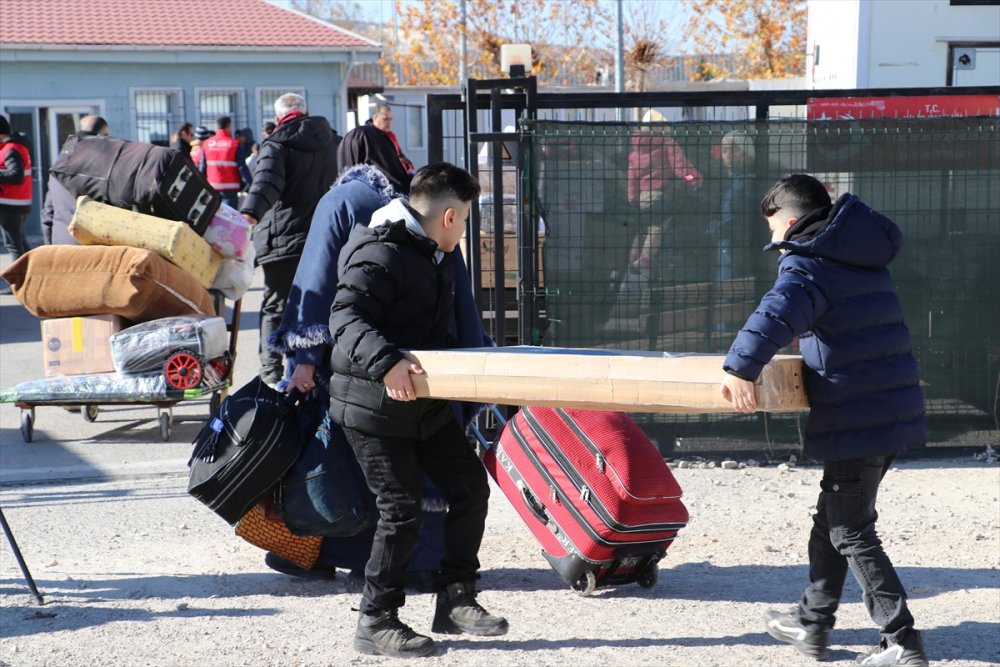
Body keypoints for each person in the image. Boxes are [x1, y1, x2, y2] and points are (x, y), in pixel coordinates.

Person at [720, 174, 928, 667]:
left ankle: (901, 640)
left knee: (851, 530)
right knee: (833, 522)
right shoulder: (856, 255)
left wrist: (739, 368)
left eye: (772, 230)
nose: (772, 241)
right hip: (886, 410)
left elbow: (777, 312)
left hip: (857, 414)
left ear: (790, 223)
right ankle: (812, 623)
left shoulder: (808, 262)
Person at [330, 163, 507, 658]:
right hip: (372, 407)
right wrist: (386, 362)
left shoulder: (433, 254)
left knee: (469, 488)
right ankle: (376, 620)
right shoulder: (380, 251)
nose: (466, 230)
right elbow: (344, 316)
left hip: (422, 406)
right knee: (401, 509)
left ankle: (456, 599)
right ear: (449, 216)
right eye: (467, 219)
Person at [241, 93, 340, 388]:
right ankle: (311, 372)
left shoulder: (276, 144)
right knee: (321, 306)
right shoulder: (334, 142)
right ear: (305, 112)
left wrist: (249, 214)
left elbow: (267, 184)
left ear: (278, 116)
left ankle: (271, 375)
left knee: (276, 307)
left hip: (283, 241)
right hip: (325, 240)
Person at [41, 115, 111, 246]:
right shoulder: (106, 167)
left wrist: (49, 246)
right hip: (94, 246)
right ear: (105, 134)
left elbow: (47, 212)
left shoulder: (59, 165)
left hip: (62, 244)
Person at [0, 114, 33, 295]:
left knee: (13, 244)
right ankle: (32, 278)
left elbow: (16, 176)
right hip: (15, 203)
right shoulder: (12, 146)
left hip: (11, 204)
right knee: (20, 243)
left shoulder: (11, 149)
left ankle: (17, 285)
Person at [202, 115, 246, 208]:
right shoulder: (234, 143)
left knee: (213, 216)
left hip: (212, 186)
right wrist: (251, 183)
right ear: (229, 126)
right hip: (230, 188)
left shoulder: (207, 143)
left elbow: (202, 167)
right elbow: (242, 167)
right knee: (229, 218)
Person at [367, 102, 415, 175]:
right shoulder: (366, 135)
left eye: (390, 119)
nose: (389, 122)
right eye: (385, 119)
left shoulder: (391, 135)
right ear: (375, 118)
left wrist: (408, 165)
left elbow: (401, 155)